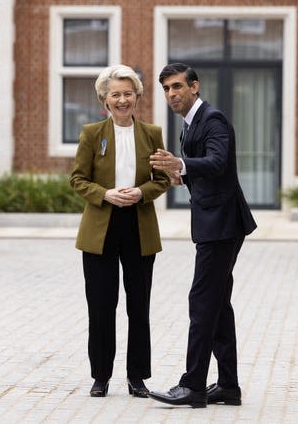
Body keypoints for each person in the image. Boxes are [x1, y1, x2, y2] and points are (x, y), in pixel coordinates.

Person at [148, 62, 257, 408]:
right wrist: (184, 174)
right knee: (218, 304)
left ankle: (193, 384)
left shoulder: (212, 120)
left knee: (202, 302)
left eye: (177, 86)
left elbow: (218, 161)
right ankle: (228, 385)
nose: (171, 94)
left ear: (195, 86)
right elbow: (207, 169)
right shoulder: (190, 123)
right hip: (214, 222)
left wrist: (181, 165)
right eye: (166, 89)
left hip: (222, 224)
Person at [70, 64, 170, 398]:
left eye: (128, 93)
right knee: (100, 306)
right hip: (101, 226)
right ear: (105, 99)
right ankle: (101, 376)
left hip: (139, 226)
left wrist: (142, 192)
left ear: (137, 96)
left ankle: (137, 377)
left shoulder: (152, 133)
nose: (122, 99)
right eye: (116, 94)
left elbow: (163, 179)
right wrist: (105, 194)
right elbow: (78, 179)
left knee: (138, 307)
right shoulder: (91, 134)